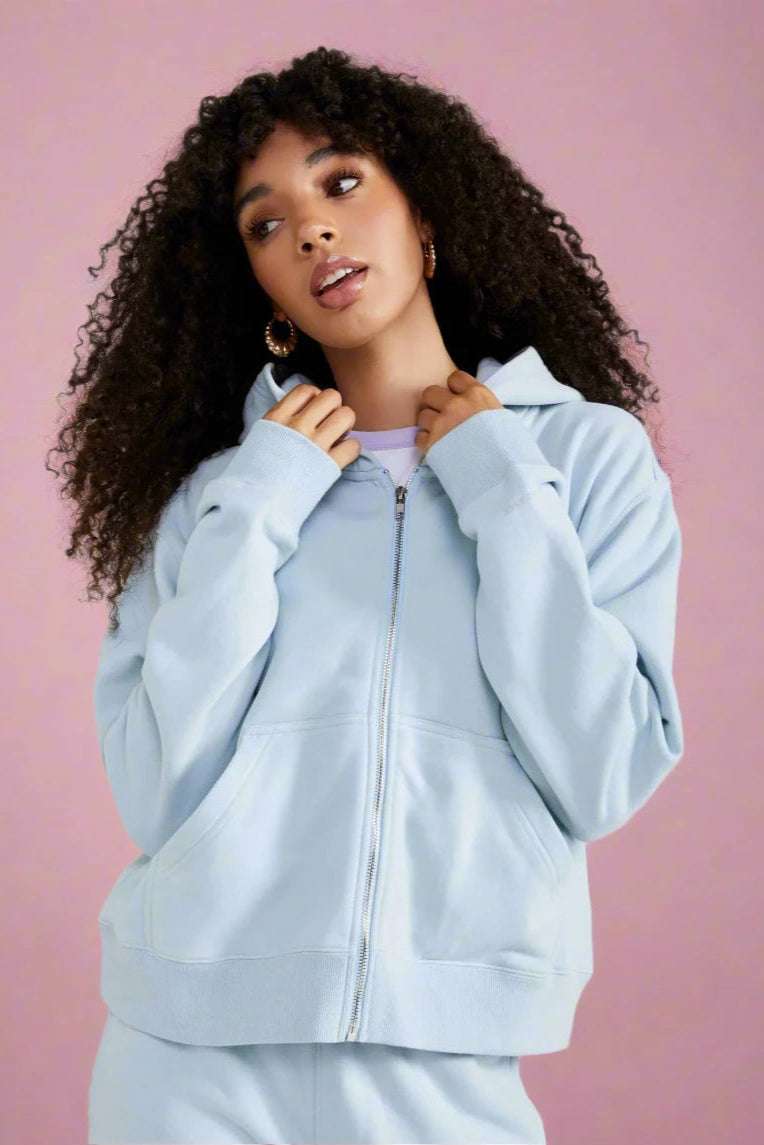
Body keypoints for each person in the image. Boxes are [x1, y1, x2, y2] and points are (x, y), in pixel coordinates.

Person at [51, 45, 685, 1145]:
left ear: (425, 213)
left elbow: (602, 769)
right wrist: (260, 504)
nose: (311, 231)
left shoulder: (582, 460)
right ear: (257, 284)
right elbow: (157, 790)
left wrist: (498, 483)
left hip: (443, 1062)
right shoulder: (220, 494)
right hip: (185, 1059)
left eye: (341, 184)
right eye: (266, 222)